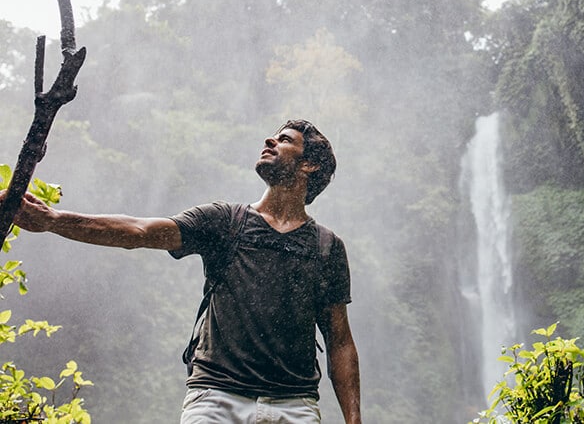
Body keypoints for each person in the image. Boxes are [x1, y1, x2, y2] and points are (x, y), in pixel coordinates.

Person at [2, 119, 361, 424]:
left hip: (293, 406)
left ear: (309, 165)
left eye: (285, 139)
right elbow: (139, 232)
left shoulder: (326, 248)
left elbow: (340, 342)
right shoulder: (224, 222)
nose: (270, 140)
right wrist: (53, 220)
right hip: (216, 399)